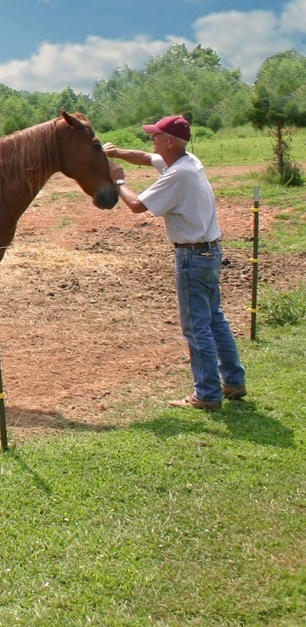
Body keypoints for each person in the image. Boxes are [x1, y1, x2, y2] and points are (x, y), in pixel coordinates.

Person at [104, 114, 247, 410]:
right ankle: (233, 380)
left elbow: (136, 205)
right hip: (209, 251)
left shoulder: (177, 175)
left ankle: (207, 394)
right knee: (214, 319)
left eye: (156, 136)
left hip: (192, 256)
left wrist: (118, 179)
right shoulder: (188, 161)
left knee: (196, 327)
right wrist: (117, 152)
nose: (152, 140)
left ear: (170, 141)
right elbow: (146, 157)